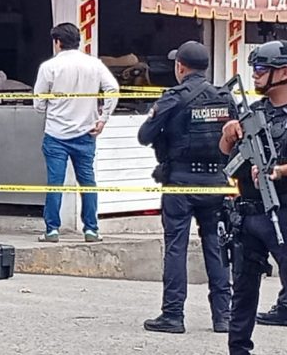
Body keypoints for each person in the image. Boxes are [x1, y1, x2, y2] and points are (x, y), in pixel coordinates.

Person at [206, 40, 287, 355]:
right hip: (248, 213)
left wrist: (279, 171)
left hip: (282, 212)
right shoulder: (253, 112)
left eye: (262, 69)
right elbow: (226, 155)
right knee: (243, 288)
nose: (255, 75)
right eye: (254, 69)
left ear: (283, 72)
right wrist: (227, 136)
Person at [137, 41, 232, 334]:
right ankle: (223, 316)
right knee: (217, 247)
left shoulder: (174, 98)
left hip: (180, 183)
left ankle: (173, 315)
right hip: (216, 182)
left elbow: (144, 135)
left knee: (176, 247)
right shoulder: (224, 97)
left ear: (180, 66)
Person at [33, 23, 120, 243]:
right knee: (88, 182)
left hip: (56, 135)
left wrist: (47, 108)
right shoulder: (94, 64)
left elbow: (38, 102)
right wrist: (103, 118)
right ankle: (91, 230)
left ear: (57, 42)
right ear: (78, 41)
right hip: (86, 133)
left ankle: (52, 230)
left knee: (55, 183)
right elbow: (113, 89)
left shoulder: (49, 67)